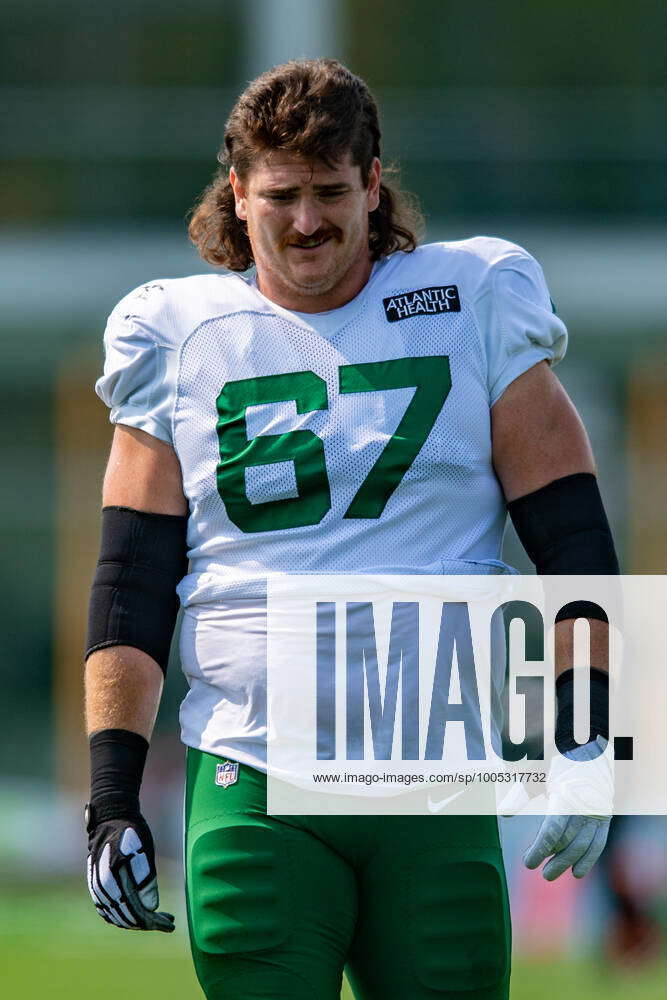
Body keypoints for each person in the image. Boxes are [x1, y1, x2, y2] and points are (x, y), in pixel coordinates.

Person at [84, 58, 618, 1000]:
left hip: (436, 771)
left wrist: (588, 737)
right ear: (237, 192)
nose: (306, 222)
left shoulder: (472, 297)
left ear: (373, 185)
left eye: (330, 191)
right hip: (253, 765)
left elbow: (572, 544)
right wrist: (111, 795)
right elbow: (130, 584)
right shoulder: (178, 332)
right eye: (281, 194)